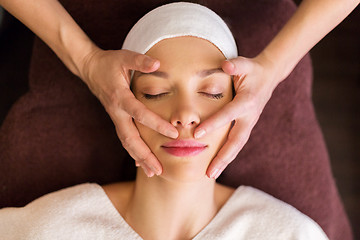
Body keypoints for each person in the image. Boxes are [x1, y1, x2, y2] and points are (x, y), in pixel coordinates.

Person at [0, 0, 356, 239]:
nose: (185, 113)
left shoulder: (289, 233)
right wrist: (87, 61)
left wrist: (273, 67)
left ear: (242, 107)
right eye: (154, 92)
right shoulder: (51, 229)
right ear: (121, 106)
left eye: (213, 92)